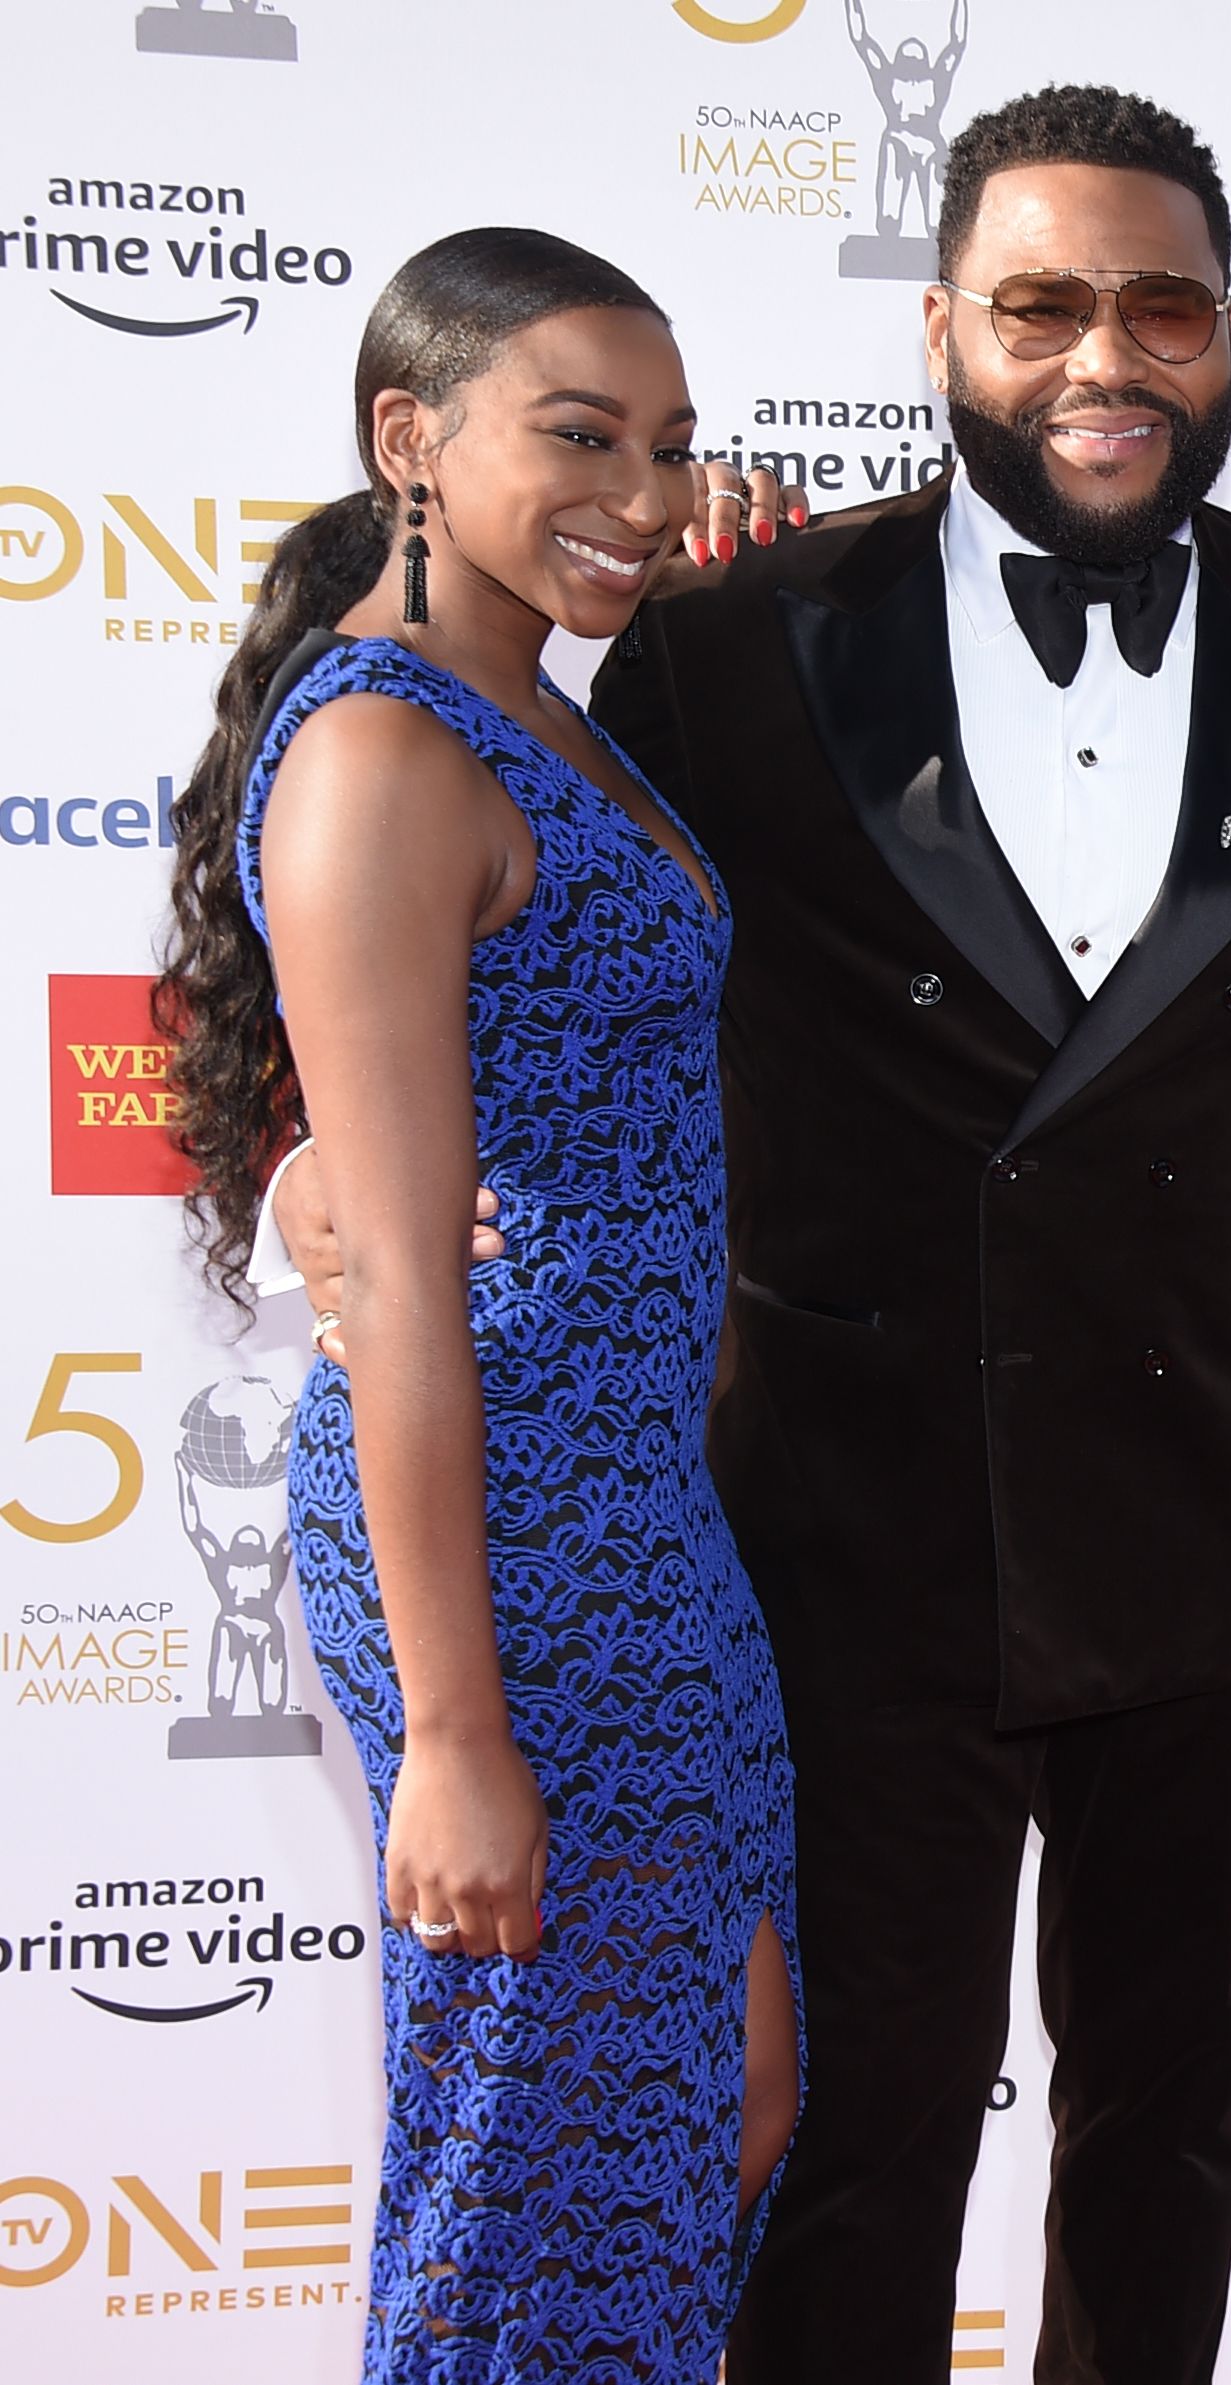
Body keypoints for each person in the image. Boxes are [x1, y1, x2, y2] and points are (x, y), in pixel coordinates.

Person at [271, 88, 1231, 2385]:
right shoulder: (733, 640)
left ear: (1230, 333)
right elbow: (484, 952)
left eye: (1160, 307)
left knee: (1168, 2130)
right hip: (827, 1534)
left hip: (1222, 1532)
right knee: (847, 2129)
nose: (1100, 359)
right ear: (942, 327)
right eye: (1039, 305)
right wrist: (302, 1173)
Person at [157, 226, 799, 2379]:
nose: (651, 492)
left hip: (646, 1524)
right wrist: (450, 1731)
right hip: (505, 1533)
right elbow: (411, 1292)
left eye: (678, 449)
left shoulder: (537, 702)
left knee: (711, 2108)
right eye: (584, 437)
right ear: (407, 440)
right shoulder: (382, 752)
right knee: (529, 2166)